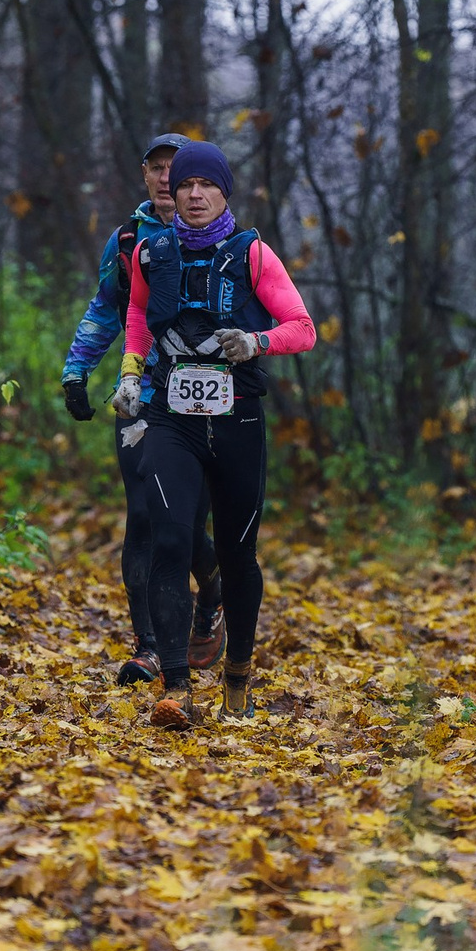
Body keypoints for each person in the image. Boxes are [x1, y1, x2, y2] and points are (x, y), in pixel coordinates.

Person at [113, 140, 315, 728]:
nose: (194, 195)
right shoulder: (152, 252)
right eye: (184, 186)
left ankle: (237, 677)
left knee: (236, 553)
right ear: (170, 194)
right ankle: (175, 687)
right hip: (172, 417)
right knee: (169, 540)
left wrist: (256, 342)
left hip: (237, 418)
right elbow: (135, 319)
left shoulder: (252, 255)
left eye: (206, 186)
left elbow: (302, 328)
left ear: (224, 192)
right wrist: (130, 375)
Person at [60, 132, 224, 686]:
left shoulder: (222, 236)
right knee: (143, 521)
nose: (164, 178)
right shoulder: (128, 239)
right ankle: (149, 645)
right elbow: (105, 308)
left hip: (201, 404)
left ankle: (213, 599)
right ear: (145, 174)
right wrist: (76, 370)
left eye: (175, 170)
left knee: (187, 528)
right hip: (139, 400)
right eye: (155, 168)